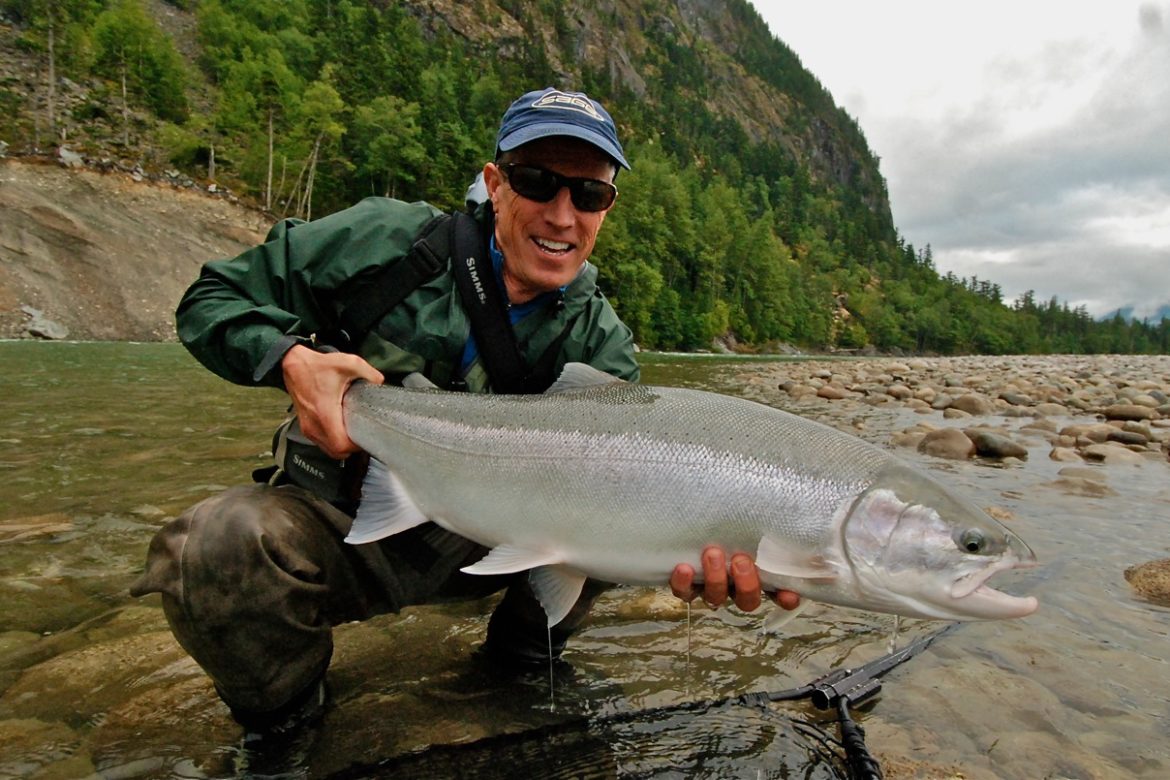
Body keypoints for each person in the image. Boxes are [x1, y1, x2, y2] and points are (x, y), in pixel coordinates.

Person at [131, 87, 797, 737]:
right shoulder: (386, 242)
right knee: (214, 545)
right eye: (538, 181)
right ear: (496, 183)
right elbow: (210, 298)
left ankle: (514, 676)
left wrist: (731, 545)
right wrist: (289, 359)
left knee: (622, 519)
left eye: (589, 194)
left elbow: (632, 513)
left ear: (606, 209)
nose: (563, 215)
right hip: (340, 520)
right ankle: (292, 732)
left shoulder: (602, 345)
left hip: (487, 541)